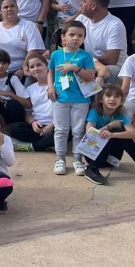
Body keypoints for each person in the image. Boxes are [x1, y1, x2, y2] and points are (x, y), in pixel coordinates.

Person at [83, 85, 135, 185]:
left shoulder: (120, 114)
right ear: (101, 99)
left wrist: (113, 134)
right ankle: (91, 169)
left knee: (120, 132)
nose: (112, 99)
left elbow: (133, 133)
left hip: (113, 158)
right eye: (109, 96)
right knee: (110, 133)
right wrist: (108, 127)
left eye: (116, 97)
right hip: (93, 156)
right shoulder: (95, 112)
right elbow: (89, 135)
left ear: (121, 101)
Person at [49, 20, 97, 176]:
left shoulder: (86, 56)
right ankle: (60, 159)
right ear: (63, 37)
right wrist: (50, 86)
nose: (75, 38)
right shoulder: (56, 54)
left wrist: (75, 68)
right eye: (71, 35)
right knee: (61, 130)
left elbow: (90, 76)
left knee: (78, 131)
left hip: (80, 100)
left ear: (84, 38)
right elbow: (50, 71)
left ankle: (77, 159)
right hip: (60, 99)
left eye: (80, 35)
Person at [5, 52, 55, 151]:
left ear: (47, 66)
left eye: (39, 65)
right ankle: (45, 145)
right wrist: (33, 123)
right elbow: (28, 113)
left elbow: (66, 112)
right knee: (13, 128)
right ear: (29, 71)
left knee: (64, 134)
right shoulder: (29, 89)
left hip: (55, 125)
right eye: (32, 67)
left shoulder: (56, 85)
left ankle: (32, 146)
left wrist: (52, 126)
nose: (35, 68)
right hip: (37, 126)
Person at [0, 0, 44, 74]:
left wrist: (23, 68)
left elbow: (33, 51)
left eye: (12, 6)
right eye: (6, 7)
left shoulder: (29, 26)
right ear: (0, 11)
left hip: (20, 70)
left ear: (17, 9)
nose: (9, 9)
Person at [73, 0, 126, 81]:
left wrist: (84, 61)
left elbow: (111, 59)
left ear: (93, 6)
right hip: (92, 64)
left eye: (84, 1)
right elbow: (67, 36)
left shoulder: (114, 25)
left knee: (101, 72)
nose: (80, 4)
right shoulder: (82, 18)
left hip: (115, 68)